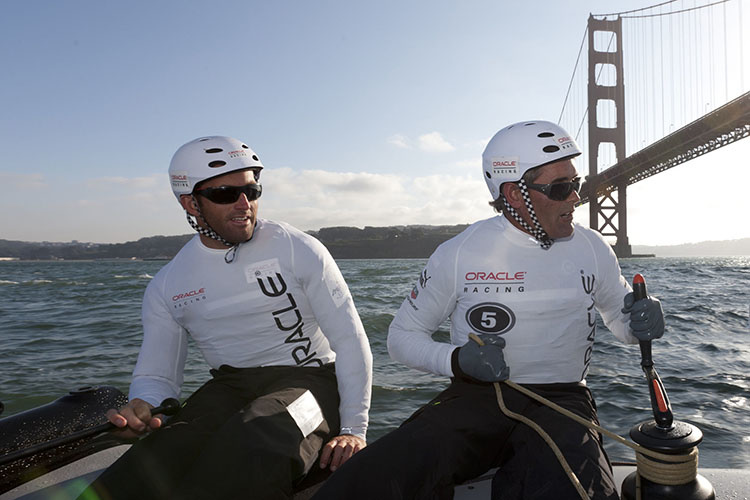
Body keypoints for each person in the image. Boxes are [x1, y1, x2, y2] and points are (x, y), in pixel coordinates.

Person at [312, 120, 664, 500]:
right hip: (475, 397)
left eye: (576, 184)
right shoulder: (461, 252)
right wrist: (458, 361)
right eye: (561, 189)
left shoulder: (592, 248)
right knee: (365, 483)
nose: (575, 198)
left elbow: (620, 320)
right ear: (514, 194)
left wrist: (640, 321)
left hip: (562, 402)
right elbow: (401, 338)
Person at [81, 136, 373, 500]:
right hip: (230, 385)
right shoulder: (168, 284)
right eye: (225, 194)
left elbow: (349, 340)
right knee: (151, 461)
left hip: (313, 380)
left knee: (256, 439)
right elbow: (158, 375)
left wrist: (354, 429)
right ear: (191, 203)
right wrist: (143, 403)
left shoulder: (296, 247)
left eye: (252, 190)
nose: (244, 204)